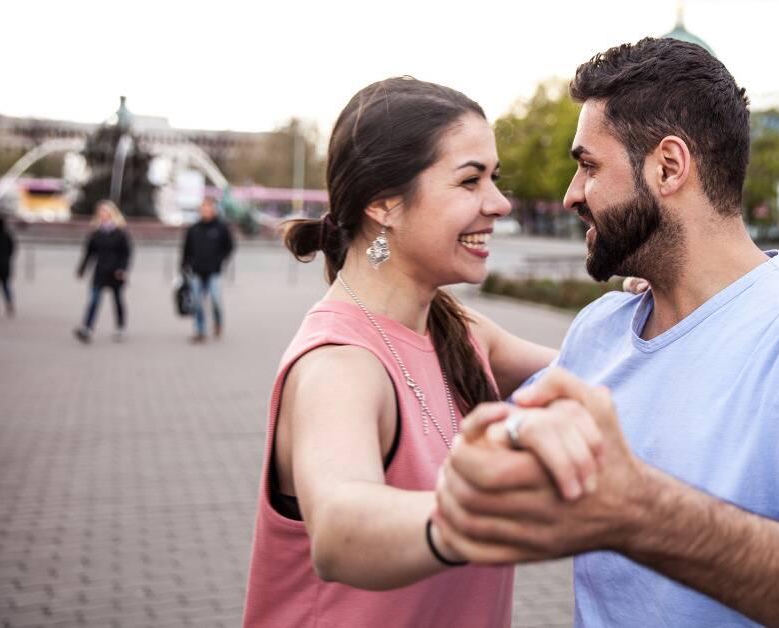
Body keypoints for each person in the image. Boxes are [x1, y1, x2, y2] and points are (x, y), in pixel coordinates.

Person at [434, 38, 779, 627]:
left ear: (668, 167)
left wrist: (638, 510)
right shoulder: (597, 332)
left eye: (589, 166)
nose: (571, 195)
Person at [242, 77, 605, 627]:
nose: (500, 203)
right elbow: (341, 529)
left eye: (495, 178)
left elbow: (604, 376)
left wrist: (648, 307)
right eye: (470, 180)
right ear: (384, 204)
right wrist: (491, 510)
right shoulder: (339, 364)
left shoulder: (459, 331)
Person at [74, 200, 132, 343]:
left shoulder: (120, 233)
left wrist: (123, 269)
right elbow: (89, 253)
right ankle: (87, 328)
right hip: (100, 271)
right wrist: (82, 269)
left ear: (112, 214)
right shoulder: (96, 233)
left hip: (115, 272)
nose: (103, 215)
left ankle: (120, 326)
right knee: (94, 300)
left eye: (106, 212)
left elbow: (126, 253)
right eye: (101, 212)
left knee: (117, 300)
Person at [181, 197, 235, 342]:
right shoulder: (193, 229)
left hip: (214, 271)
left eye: (208, 208)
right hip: (196, 270)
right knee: (197, 302)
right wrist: (183, 266)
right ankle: (200, 330)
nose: (206, 211)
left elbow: (229, 246)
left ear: (214, 209)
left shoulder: (221, 227)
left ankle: (218, 322)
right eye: (203, 208)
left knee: (215, 300)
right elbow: (186, 249)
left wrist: (220, 260)